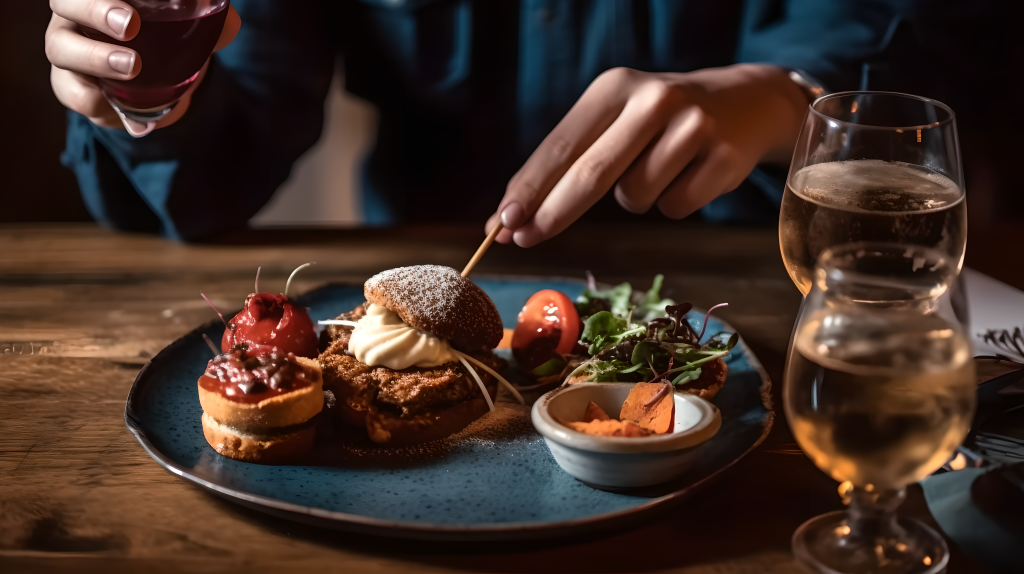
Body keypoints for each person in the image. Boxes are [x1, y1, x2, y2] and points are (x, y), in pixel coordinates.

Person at [47, 0, 910, 244]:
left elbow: (923, 35)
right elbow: (219, 166)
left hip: (758, 281)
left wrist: (795, 93)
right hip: (424, 292)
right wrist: (150, 88)